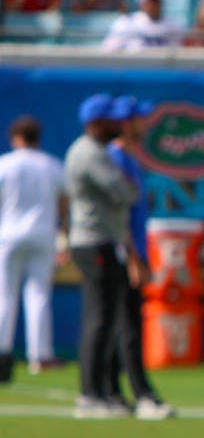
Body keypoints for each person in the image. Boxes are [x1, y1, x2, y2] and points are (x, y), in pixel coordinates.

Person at [65, 93, 138, 418]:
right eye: (110, 118)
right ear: (95, 123)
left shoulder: (96, 151)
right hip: (94, 242)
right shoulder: (90, 153)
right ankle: (90, 395)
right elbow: (124, 192)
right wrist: (129, 186)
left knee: (105, 318)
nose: (118, 123)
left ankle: (101, 392)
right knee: (99, 318)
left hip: (100, 241)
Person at [105, 95, 175, 419]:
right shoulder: (115, 158)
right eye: (140, 118)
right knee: (128, 325)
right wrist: (134, 256)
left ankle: (117, 393)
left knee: (127, 322)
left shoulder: (130, 158)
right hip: (122, 251)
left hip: (134, 249)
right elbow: (119, 214)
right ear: (125, 122)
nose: (146, 123)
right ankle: (141, 395)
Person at [0, 116, 67, 383]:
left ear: (16, 137)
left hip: (8, 236)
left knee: (5, 296)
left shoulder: (5, 164)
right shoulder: (51, 165)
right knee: (38, 295)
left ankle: (3, 351)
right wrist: (64, 234)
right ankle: (40, 355)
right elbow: (64, 203)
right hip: (42, 235)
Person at [101, 0, 183, 52]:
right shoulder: (127, 23)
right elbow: (109, 51)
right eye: (148, 1)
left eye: (155, 1)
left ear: (161, 2)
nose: (152, 5)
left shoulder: (174, 26)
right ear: (141, 2)